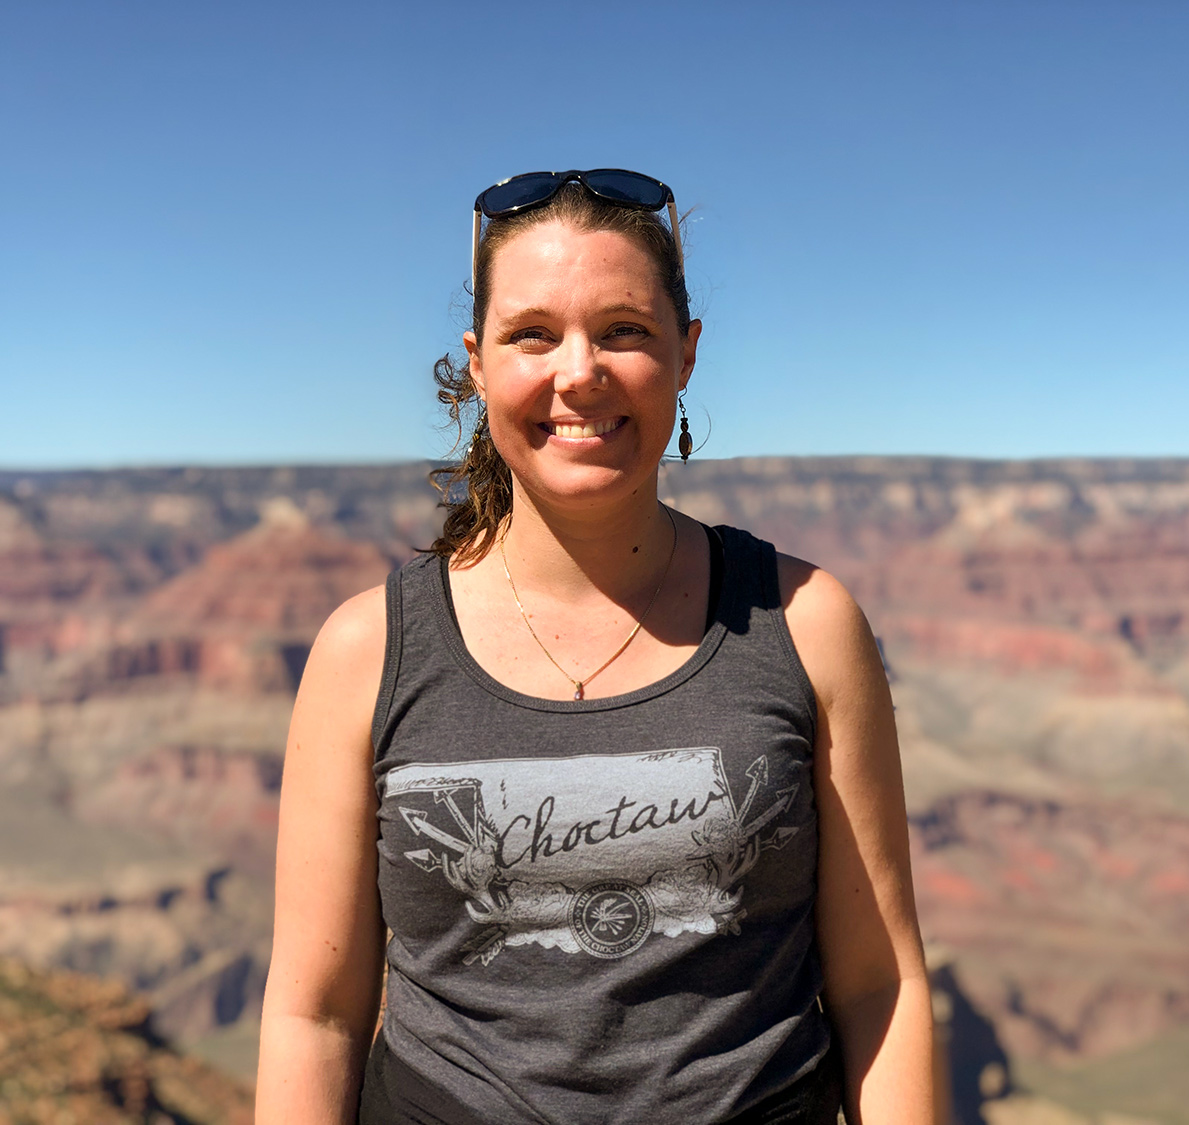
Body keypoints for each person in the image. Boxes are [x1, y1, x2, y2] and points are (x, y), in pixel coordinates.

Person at [255, 169, 935, 1124]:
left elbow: (879, 986)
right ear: (478, 361)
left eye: (624, 330)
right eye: (533, 333)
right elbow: (315, 1014)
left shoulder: (806, 623)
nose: (580, 372)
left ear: (687, 354)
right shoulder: (367, 650)